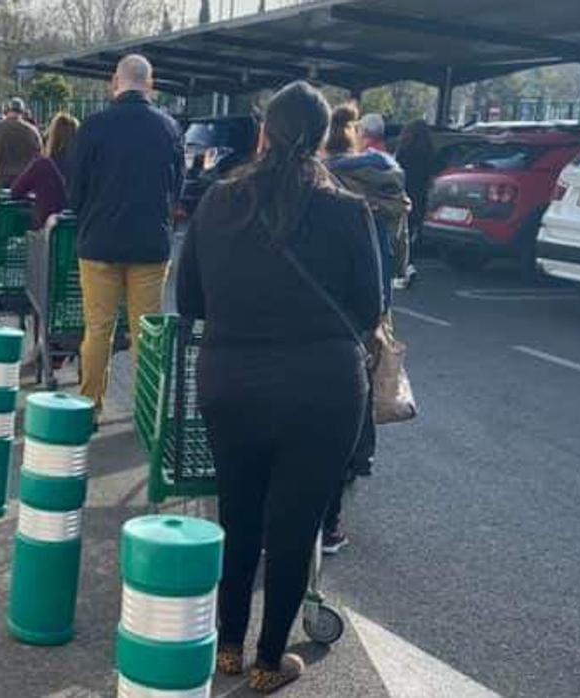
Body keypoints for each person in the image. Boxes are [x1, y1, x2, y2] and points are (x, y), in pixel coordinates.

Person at [177, 81, 383, 693]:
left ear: (264, 132)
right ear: (322, 139)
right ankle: (271, 661)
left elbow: (190, 302)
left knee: (237, 516)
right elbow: (369, 308)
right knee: (295, 528)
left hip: (231, 382)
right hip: (323, 390)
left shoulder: (218, 201)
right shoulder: (349, 210)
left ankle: (228, 648)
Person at [70, 54, 184, 419]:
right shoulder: (169, 128)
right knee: (146, 334)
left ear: (114, 82)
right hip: (150, 244)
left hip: (99, 243)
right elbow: (176, 189)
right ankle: (147, 414)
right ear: (151, 84)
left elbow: (75, 191)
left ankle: (90, 406)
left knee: (98, 330)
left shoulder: (93, 127)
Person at [319, 104, 409, 554]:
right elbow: (400, 250)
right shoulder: (385, 178)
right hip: (369, 305)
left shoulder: (323, 180)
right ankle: (349, 478)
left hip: (322, 304)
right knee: (355, 394)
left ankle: (307, 520)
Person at [10, 112, 79, 230]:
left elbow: (16, 191)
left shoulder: (42, 165)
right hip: (77, 229)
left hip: (47, 229)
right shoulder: (84, 167)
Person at [395, 119, 437, 287]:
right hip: (420, 197)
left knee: (400, 232)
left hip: (404, 195)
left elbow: (397, 172)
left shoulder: (404, 150)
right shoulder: (429, 152)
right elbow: (431, 176)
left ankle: (405, 266)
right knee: (412, 232)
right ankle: (408, 264)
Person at [0, 97, 43, 189]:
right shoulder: (32, 131)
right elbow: (39, 156)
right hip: (25, 179)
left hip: (1, 178)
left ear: (6, 110)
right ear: (22, 112)